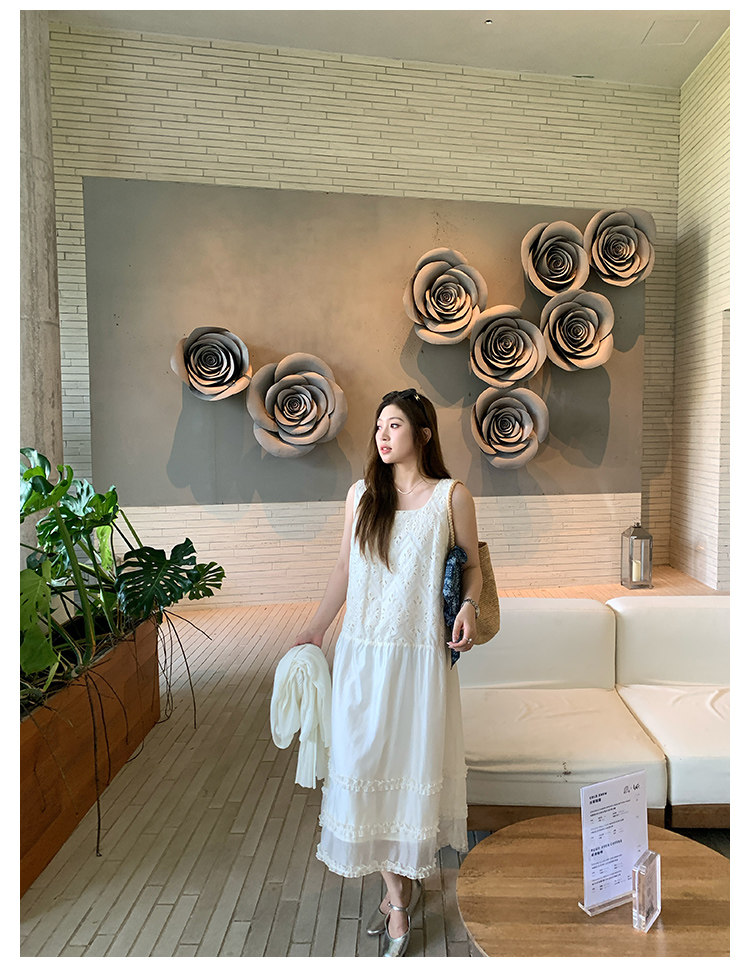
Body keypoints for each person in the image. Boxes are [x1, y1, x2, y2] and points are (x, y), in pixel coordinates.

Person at [292, 388, 483, 957]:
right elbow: (343, 570)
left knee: (405, 773)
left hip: (419, 661)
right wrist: (316, 628)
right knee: (362, 767)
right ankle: (398, 896)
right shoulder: (361, 495)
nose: (382, 434)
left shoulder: (452, 497)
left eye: (394, 425)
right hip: (362, 656)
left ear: (423, 434)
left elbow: (472, 568)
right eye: (379, 425)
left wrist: (469, 606)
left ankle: (397, 896)